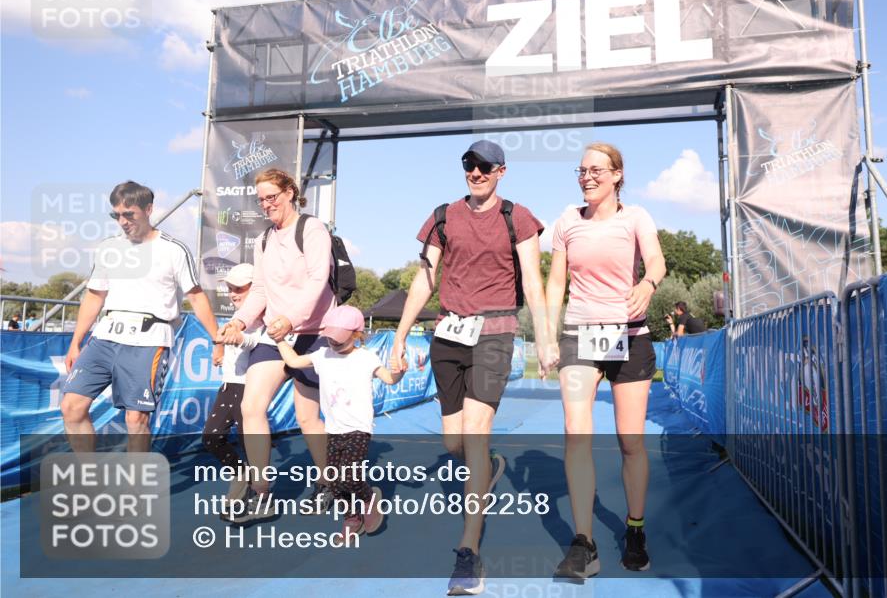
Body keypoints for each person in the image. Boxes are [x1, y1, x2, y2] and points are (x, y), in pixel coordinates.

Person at [390, 139, 556, 596]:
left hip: (496, 333)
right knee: (454, 441)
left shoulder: (517, 218)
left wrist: (544, 339)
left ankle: (469, 553)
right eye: (469, 165)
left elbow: (534, 283)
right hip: (448, 334)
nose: (476, 173)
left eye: (485, 166)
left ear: (501, 171)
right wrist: (400, 337)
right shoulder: (443, 216)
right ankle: (489, 467)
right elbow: (424, 278)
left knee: (477, 433)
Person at [545, 143, 666, 579]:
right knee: (577, 433)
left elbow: (656, 259)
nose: (587, 176)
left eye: (597, 169)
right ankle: (584, 543)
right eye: (582, 170)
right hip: (580, 334)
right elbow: (556, 280)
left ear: (617, 174)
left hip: (629, 336)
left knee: (630, 441)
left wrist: (648, 284)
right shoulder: (566, 221)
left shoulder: (635, 217)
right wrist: (546, 334)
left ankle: (635, 529)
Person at [61, 181, 223, 453]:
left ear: (148, 210)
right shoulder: (108, 248)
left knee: (135, 419)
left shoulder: (173, 249)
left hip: (149, 340)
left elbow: (195, 296)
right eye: (117, 215)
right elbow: (94, 296)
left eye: (129, 214)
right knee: (71, 406)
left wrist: (217, 339)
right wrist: (76, 341)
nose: (122, 221)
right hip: (104, 338)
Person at [217, 168, 335, 522]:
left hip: (312, 332)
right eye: (261, 199)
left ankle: (328, 482)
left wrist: (293, 318)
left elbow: (318, 281)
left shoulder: (311, 229)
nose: (267, 204)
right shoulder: (264, 240)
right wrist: (239, 321)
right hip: (274, 334)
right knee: (252, 407)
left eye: (272, 196)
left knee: (307, 417)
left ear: (290, 193)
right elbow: (260, 291)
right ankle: (261, 494)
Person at [276, 304, 401, 537]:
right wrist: (280, 339)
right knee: (334, 481)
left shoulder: (365, 358)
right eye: (330, 337)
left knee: (350, 477)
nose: (333, 343)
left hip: (358, 429)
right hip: (333, 429)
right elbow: (293, 362)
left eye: (340, 339)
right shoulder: (322, 355)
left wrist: (399, 371)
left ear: (356, 335)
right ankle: (351, 517)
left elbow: (389, 379)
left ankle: (368, 498)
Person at [202, 263, 260, 506]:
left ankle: (258, 492)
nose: (233, 293)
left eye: (240, 288)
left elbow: (256, 341)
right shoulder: (233, 318)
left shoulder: (264, 317)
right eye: (230, 288)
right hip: (229, 386)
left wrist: (239, 338)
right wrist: (222, 348)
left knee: (252, 445)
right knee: (211, 437)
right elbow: (227, 337)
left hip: (251, 389)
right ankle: (241, 474)